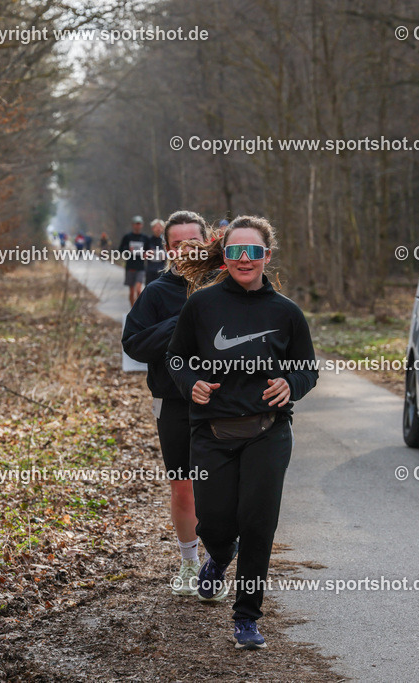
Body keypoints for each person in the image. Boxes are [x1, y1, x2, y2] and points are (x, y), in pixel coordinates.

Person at [166, 215, 318, 650]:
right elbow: (177, 358)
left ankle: (247, 618)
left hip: (268, 432)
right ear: (225, 256)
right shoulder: (201, 305)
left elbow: (307, 369)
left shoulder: (286, 312)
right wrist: (190, 382)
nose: (245, 259)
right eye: (236, 251)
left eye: (253, 252)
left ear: (266, 256)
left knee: (257, 524)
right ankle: (218, 555)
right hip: (211, 432)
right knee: (215, 523)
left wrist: (291, 383)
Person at [121, 211, 210, 597]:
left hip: (227, 403)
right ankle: (190, 562)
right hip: (174, 403)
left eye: (195, 242)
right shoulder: (157, 293)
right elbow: (133, 345)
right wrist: (181, 322)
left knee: (224, 486)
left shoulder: (229, 284)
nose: (187, 250)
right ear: (167, 249)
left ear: (208, 243)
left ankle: (217, 561)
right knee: (184, 488)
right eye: (178, 244)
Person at [118, 216, 147, 305]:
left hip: (140, 267)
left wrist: (146, 254)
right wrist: (128, 249)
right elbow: (120, 250)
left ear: (142, 225)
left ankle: (139, 309)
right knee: (131, 292)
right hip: (130, 266)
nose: (137, 226)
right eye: (136, 224)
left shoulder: (145, 238)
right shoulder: (127, 237)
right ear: (133, 225)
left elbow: (149, 250)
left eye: (139, 224)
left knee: (138, 290)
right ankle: (132, 309)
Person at [145, 219, 166, 285]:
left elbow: (170, 255)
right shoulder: (148, 240)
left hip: (161, 269)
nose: (158, 229)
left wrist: (165, 255)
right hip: (150, 270)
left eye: (160, 227)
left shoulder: (165, 241)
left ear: (163, 229)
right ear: (152, 228)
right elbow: (143, 255)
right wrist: (148, 253)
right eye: (156, 227)